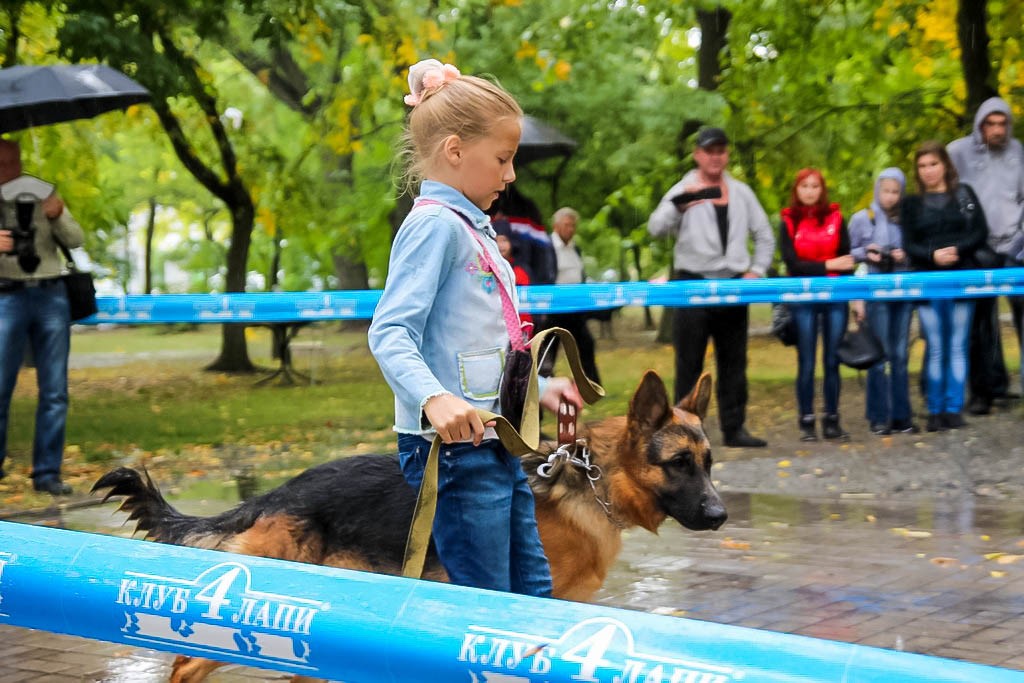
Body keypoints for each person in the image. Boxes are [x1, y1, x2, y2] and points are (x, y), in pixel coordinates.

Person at [367, 59, 581, 596]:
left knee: (531, 589)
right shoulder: (434, 226)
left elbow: (480, 338)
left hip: (496, 441)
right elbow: (390, 331)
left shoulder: (471, 226)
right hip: (455, 451)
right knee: (488, 601)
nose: (511, 175)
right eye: (503, 159)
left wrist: (541, 387)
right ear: (455, 151)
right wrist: (432, 399)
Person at [647, 126, 775, 448]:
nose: (715, 156)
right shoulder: (685, 188)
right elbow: (655, 228)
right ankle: (684, 431)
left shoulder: (742, 192)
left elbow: (764, 234)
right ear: (697, 154)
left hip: (734, 285)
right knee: (688, 362)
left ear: (726, 154)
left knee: (734, 360)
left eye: (721, 150)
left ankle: (735, 428)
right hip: (692, 284)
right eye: (709, 150)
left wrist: (756, 271)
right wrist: (679, 205)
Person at [0, 139, 83, 496]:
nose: (10, 167)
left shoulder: (43, 192)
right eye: (3, 161)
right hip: (7, 296)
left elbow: (76, 240)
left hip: (51, 295)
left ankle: (47, 473)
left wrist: (58, 215)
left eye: (13, 159)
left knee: (54, 391)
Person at [901, 141, 989, 432]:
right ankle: (935, 409)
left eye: (933, 164)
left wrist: (956, 249)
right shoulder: (911, 204)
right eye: (922, 166)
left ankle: (954, 409)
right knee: (937, 346)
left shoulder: (964, 194)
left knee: (958, 344)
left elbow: (979, 231)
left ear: (946, 166)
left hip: (962, 277)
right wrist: (932, 255)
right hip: (927, 280)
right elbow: (909, 243)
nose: (928, 171)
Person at [947, 97, 1024, 415]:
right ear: (979, 124)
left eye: (1001, 123)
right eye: (990, 123)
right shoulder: (957, 152)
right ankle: (985, 390)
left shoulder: (1018, 151)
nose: (996, 129)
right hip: (977, 247)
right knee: (980, 323)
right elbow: (945, 195)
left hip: (1017, 246)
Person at [778, 168, 855, 441]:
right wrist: (828, 265)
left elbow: (848, 262)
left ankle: (832, 419)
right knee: (807, 361)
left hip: (835, 297)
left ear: (822, 190)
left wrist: (832, 268)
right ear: (796, 190)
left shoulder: (836, 216)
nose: (810, 191)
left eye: (815, 186)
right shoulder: (787, 221)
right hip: (803, 299)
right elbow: (792, 264)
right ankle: (807, 421)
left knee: (833, 360)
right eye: (804, 186)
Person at [848, 168, 919, 435]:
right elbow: (848, 254)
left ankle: (902, 416)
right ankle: (879, 416)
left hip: (902, 294)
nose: (890, 197)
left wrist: (905, 255)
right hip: (875, 295)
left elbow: (919, 252)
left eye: (895, 192)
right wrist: (868, 253)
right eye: (885, 191)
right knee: (879, 355)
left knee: (900, 355)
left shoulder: (906, 220)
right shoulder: (862, 219)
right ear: (877, 190)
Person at [539, 207, 601, 384]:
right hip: (553, 308)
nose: (571, 229)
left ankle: (591, 384)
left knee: (586, 345)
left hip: (576, 307)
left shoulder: (576, 248)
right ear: (556, 226)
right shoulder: (545, 248)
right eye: (567, 225)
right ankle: (545, 384)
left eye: (573, 225)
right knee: (549, 348)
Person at [493, 216, 533, 334]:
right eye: (496, 241)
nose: (500, 245)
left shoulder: (522, 269)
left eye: (504, 240)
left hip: (522, 327)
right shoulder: (485, 269)